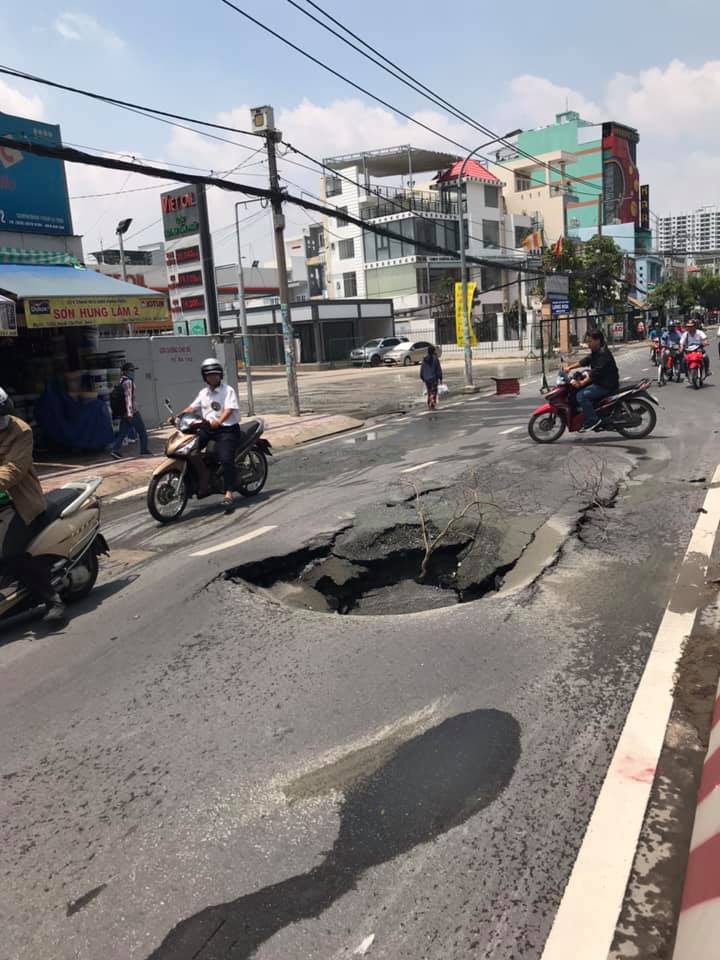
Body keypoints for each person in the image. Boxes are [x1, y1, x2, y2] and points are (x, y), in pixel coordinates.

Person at [0, 388, 66, 622]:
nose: (2, 421)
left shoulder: (21, 431)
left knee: (11, 553)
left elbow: (13, 469)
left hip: (20, 503)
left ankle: (52, 599)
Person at [181, 358, 241, 512]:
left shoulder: (228, 390)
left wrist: (219, 421)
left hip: (227, 429)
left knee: (226, 459)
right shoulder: (203, 393)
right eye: (209, 375)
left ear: (220, 375)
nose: (212, 377)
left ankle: (228, 492)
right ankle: (204, 477)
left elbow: (229, 410)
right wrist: (178, 416)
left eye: (215, 374)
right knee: (188, 449)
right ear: (204, 377)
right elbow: (192, 407)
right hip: (208, 429)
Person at [564, 329, 620, 432]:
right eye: (587, 341)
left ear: (597, 340)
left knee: (581, 395)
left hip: (606, 385)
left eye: (590, 341)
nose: (588, 344)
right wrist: (569, 368)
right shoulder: (597, 351)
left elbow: (596, 373)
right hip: (601, 382)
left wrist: (582, 383)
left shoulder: (603, 354)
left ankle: (592, 419)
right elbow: (586, 360)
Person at [111, 362, 151, 460]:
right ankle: (144, 450)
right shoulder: (128, 382)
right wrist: (129, 413)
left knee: (123, 433)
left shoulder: (121, 381)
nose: (133, 372)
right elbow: (128, 398)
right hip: (132, 412)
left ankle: (114, 450)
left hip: (125, 413)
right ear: (126, 372)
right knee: (142, 432)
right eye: (132, 370)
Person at [419, 346, 443, 411]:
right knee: (434, 392)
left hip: (426, 379)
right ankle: (432, 404)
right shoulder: (435, 359)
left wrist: (422, 377)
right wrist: (440, 377)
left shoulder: (424, 359)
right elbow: (438, 369)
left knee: (429, 392)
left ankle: (429, 404)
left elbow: (422, 369)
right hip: (433, 378)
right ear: (433, 351)